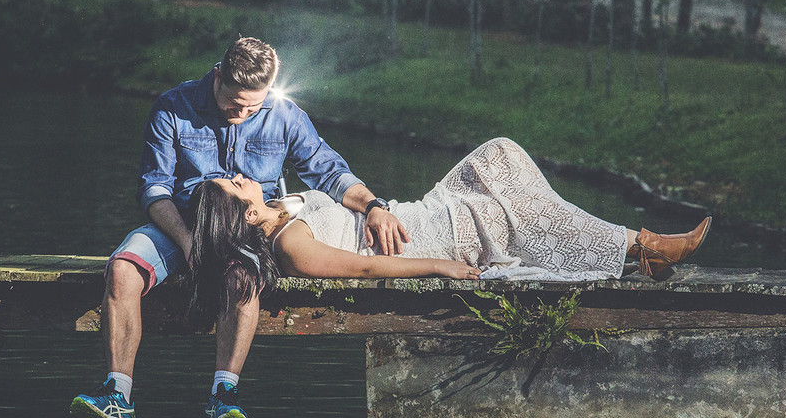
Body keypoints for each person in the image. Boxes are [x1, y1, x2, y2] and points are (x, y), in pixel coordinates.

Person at [71, 37, 407, 418]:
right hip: (179, 221)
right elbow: (154, 190)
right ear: (218, 76)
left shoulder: (285, 115)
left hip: (244, 229)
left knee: (243, 280)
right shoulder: (172, 107)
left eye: (254, 105)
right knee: (123, 270)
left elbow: (331, 174)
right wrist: (186, 240)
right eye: (235, 103)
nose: (243, 112)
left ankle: (223, 396)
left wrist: (374, 207)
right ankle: (117, 396)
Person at [187, 137, 711, 323]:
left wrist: (374, 207)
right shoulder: (291, 244)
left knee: (499, 155)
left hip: (415, 211)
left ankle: (594, 246)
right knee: (520, 212)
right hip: (432, 239)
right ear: (248, 217)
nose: (238, 177)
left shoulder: (279, 202)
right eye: (234, 187)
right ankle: (641, 244)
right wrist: (440, 266)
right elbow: (368, 267)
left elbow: (344, 192)